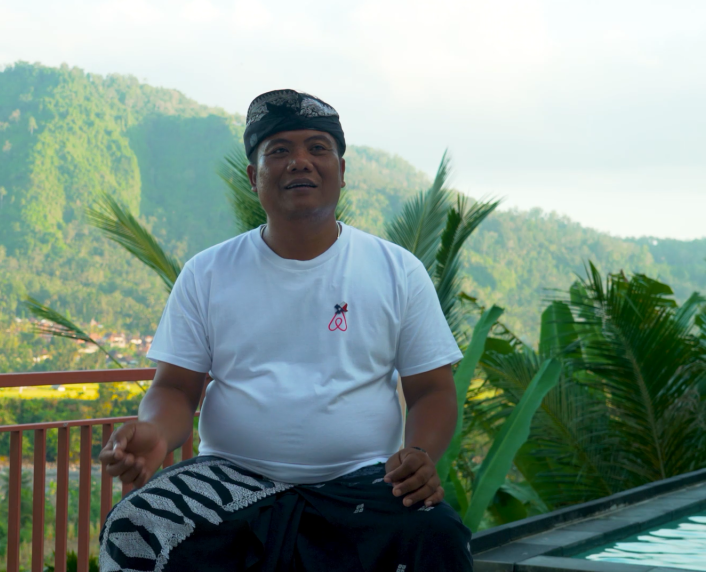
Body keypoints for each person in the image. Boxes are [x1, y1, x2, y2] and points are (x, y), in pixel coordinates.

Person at [97, 89, 472, 571]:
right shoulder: (207, 272)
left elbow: (432, 391)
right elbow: (175, 388)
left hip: (363, 483)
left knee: (436, 534)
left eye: (318, 148)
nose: (300, 161)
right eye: (279, 150)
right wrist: (154, 432)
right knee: (138, 526)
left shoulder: (397, 270)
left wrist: (418, 453)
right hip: (230, 480)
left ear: (341, 170)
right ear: (253, 176)